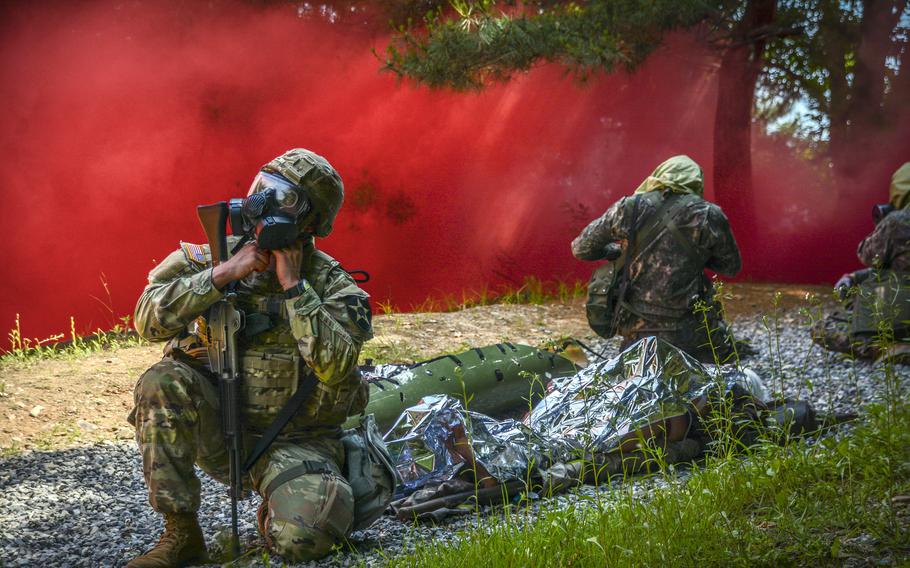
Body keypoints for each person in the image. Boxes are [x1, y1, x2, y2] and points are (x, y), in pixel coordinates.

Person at [126, 149, 374, 566]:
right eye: (262, 188)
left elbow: (336, 366)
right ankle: (182, 534)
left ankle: (277, 513)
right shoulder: (206, 258)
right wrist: (220, 276)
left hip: (295, 441)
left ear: (311, 221)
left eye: (283, 197)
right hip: (218, 430)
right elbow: (146, 321)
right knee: (161, 381)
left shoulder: (335, 287)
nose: (263, 204)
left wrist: (295, 287)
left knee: (303, 541)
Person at [571, 155, 743, 363]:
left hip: (636, 333)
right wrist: (697, 255)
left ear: (658, 177)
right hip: (691, 335)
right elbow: (730, 266)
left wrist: (617, 252)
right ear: (696, 182)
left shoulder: (629, 208)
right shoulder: (709, 214)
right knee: (698, 391)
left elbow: (581, 248)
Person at [811, 162, 910, 361]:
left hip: (902, 315)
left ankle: (887, 348)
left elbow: (867, 255)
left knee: (825, 328)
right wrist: (854, 277)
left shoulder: (898, 221)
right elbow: (898, 268)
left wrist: (884, 224)